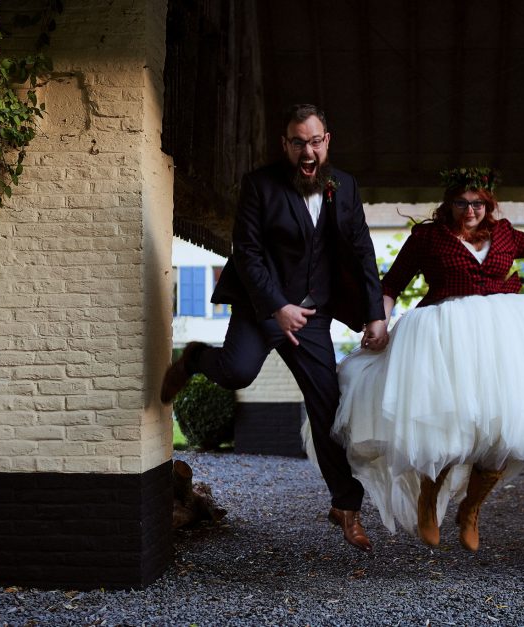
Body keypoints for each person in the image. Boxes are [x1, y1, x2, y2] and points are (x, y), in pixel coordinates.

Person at [325, 167, 524, 552]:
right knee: (448, 431)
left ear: (489, 204)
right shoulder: (428, 238)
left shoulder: (505, 234)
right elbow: (391, 283)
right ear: (450, 203)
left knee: (501, 434)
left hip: (499, 346)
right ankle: (429, 502)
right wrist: (380, 321)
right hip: (446, 342)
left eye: (478, 203)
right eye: (462, 202)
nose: (470, 210)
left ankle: (471, 510)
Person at [160, 104, 389, 552]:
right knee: (237, 372)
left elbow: (362, 252)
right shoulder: (260, 185)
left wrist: (375, 313)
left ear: (327, 141)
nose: (308, 150)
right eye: (298, 142)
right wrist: (277, 307)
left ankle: (346, 506)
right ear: (286, 145)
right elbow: (246, 251)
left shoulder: (345, 187)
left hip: (314, 317)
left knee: (328, 409)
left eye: (315, 141)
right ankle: (194, 358)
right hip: (261, 307)